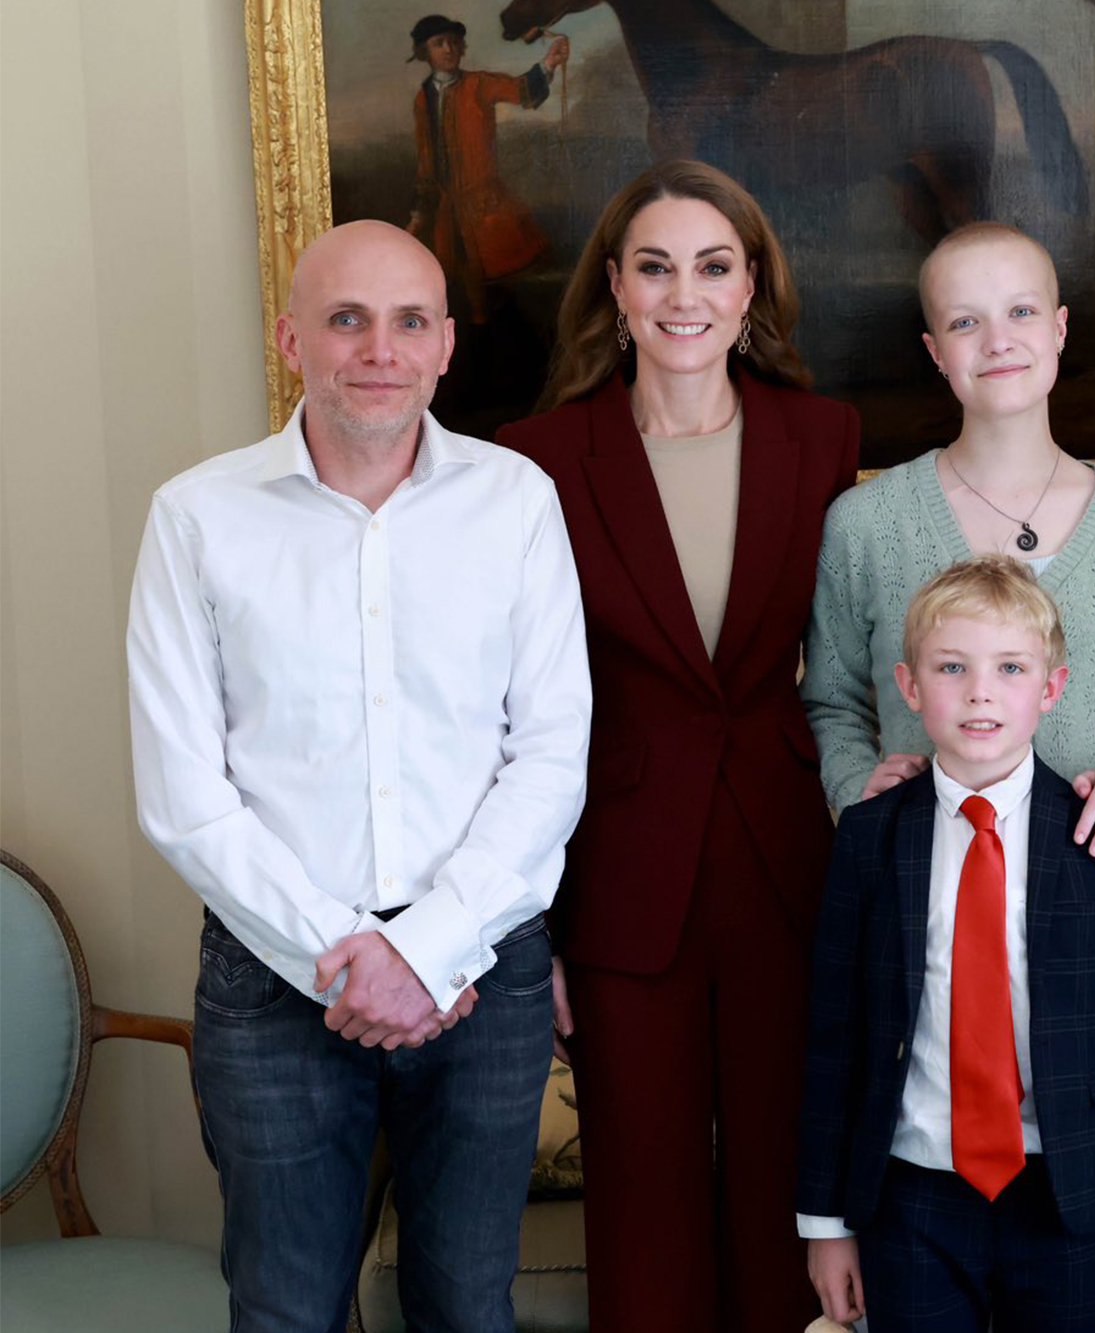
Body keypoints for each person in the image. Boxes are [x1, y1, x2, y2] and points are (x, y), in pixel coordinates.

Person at [127, 220, 590, 1333]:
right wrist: (352, 964)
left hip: (482, 974)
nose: (378, 349)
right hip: (272, 981)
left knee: (467, 1308)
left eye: (407, 322)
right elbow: (183, 793)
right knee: (285, 1308)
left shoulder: (516, 501)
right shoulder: (197, 516)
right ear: (293, 338)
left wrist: (425, 950)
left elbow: (552, 754)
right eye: (346, 319)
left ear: (443, 348)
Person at [804, 222, 1095, 1331]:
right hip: (931, 921)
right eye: (963, 320)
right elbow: (833, 698)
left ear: (1056, 331)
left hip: (1086, 937)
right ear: (933, 350)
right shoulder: (864, 523)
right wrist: (866, 787)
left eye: (1016, 313)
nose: (993, 339)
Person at [496, 161, 859, 1333]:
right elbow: (508, 706)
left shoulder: (822, 435)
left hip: (783, 862)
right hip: (613, 877)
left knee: (781, 1195)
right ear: (615, 287)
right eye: (654, 267)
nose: (684, 294)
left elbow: (852, 663)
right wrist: (528, 927)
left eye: (713, 265)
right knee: (642, 1210)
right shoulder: (539, 458)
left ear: (752, 285)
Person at [797, 556, 1095, 1333]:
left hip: (1065, 1193)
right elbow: (833, 1042)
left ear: (1050, 688)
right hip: (910, 1189)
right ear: (910, 686)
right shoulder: (871, 837)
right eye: (952, 666)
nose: (980, 691)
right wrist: (826, 1224)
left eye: (1010, 667)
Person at [406, 14, 570, 323]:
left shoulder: (479, 84)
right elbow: (426, 161)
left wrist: (548, 63)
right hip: (446, 208)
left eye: (454, 42)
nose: (449, 49)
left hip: (484, 203)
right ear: (424, 53)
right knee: (455, 280)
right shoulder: (422, 99)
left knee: (507, 274)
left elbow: (521, 90)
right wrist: (418, 217)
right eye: (439, 43)